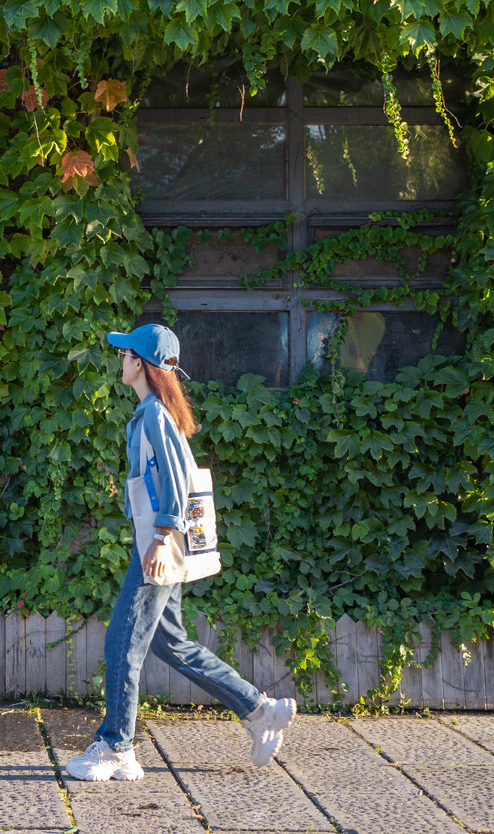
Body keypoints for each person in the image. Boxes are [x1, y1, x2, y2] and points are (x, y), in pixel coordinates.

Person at [64, 323, 297, 781]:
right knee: (172, 644)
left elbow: (174, 479)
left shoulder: (153, 413)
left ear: (141, 365)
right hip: (157, 542)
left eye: (126, 354)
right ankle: (259, 710)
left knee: (121, 643)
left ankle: (116, 747)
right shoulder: (154, 412)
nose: (120, 361)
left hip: (157, 544)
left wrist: (160, 537)